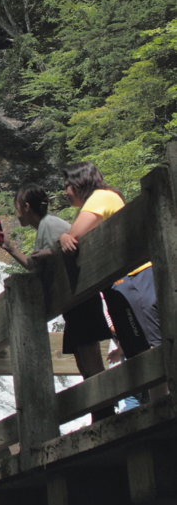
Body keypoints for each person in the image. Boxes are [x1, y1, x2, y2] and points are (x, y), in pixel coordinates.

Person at [59, 161, 165, 401]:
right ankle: (155, 405)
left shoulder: (101, 197)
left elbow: (76, 233)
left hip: (134, 278)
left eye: (68, 186)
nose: (65, 192)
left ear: (80, 183)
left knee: (149, 343)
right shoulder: (98, 200)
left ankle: (161, 407)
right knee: (138, 346)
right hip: (123, 282)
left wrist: (65, 235)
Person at [0, 183, 70, 271]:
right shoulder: (44, 225)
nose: (17, 214)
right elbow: (34, 266)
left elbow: (76, 249)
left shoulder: (52, 224)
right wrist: (9, 248)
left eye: (17, 208)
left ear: (27, 207)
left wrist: (52, 254)